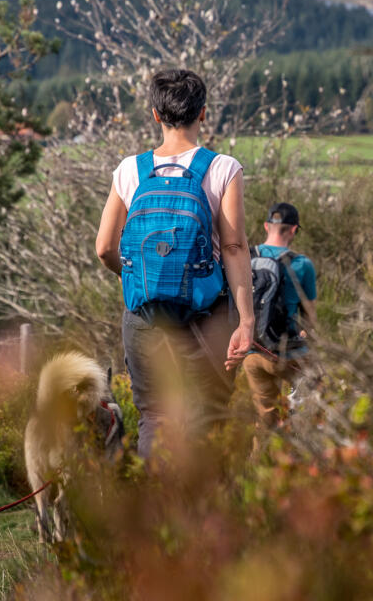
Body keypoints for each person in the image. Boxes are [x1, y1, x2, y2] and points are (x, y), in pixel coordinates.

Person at [95, 69, 255, 460]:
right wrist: (247, 321)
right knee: (207, 416)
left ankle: (157, 510)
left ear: (155, 114)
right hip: (207, 316)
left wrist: (136, 276)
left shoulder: (129, 170)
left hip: (144, 316)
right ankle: (203, 513)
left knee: (155, 415)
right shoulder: (222, 168)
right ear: (203, 113)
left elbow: (103, 247)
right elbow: (233, 248)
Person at [244, 202, 318, 427]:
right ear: (294, 229)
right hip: (290, 355)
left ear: (267, 226)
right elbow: (310, 319)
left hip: (254, 353)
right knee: (313, 404)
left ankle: (260, 458)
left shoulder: (247, 258)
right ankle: (301, 448)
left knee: (265, 418)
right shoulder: (302, 264)